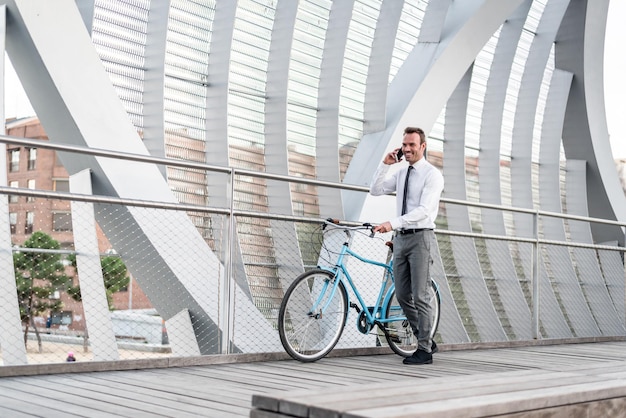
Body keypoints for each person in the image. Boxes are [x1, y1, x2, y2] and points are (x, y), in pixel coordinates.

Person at [369, 126, 444, 365]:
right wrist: (385, 163)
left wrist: (391, 223)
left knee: (421, 296)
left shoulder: (432, 175)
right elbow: (376, 189)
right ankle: (427, 338)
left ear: (423, 146)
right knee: (402, 295)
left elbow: (423, 212)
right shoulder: (402, 174)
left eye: (412, 144)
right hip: (401, 238)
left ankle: (424, 350)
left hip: (421, 238)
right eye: (405, 145)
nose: (407, 149)